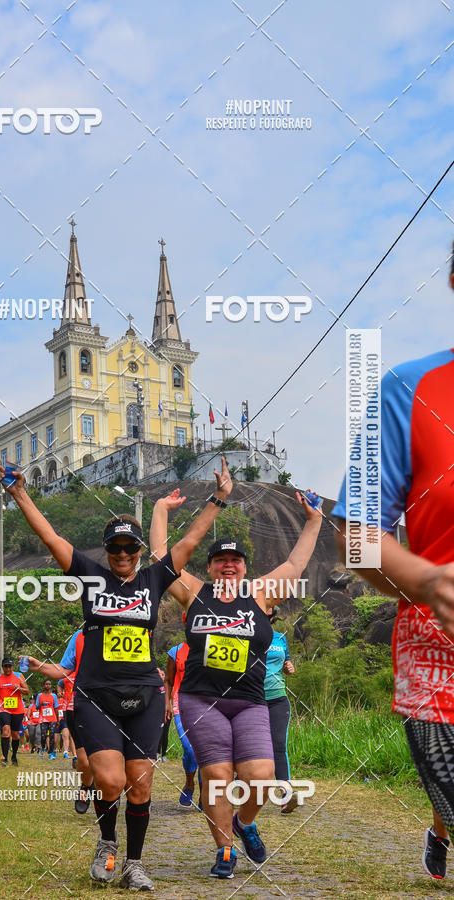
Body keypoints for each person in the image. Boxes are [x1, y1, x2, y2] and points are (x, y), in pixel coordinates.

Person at [0, 456, 232, 891]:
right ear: (107, 552)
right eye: (115, 548)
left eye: (130, 548)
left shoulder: (155, 578)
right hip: (96, 694)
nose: (123, 555)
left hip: (145, 693)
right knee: (110, 779)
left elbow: (192, 540)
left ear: (140, 552)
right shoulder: (90, 577)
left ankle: (133, 864)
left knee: (140, 786)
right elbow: (49, 535)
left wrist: (218, 498)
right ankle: (107, 842)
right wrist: (19, 493)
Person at [333, 250, 454, 880]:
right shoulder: (411, 389)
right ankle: (443, 820)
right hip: (439, 644)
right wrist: (429, 581)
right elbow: (357, 540)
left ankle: (439, 825)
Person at [150, 487, 322, 878]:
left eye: (235, 560)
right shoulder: (194, 593)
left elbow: (295, 565)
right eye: (220, 560)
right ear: (210, 567)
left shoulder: (260, 595)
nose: (228, 566)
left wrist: (314, 520)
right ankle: (225, 849)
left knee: (260, 779)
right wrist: (160, 509)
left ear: (245, 566)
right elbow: (161, 560)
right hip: (201, 699)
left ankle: (245, 823)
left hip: (250, 701)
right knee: (217, 776)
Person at [57, 629, 95, 815]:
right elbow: (59, 671)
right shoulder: (79, 637)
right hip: (76, 708)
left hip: (111, 705)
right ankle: (85, 787)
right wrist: (39, 666)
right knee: (85, 762)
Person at [263, 608, 297, 814]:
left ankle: (286, 796)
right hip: (253, 700)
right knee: (249, 747)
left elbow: (286, 662)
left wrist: (289, 667)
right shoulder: (247, 634)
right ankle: (241, 787)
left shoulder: (280, 638)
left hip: (278, 698)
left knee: (278, 745)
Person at [164, 641, 200, 808]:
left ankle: (205, 792)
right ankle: (189, 783)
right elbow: (169, 680)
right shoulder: (176, 651)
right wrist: (167, 704)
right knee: (189, 748)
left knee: (205, 749)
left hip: (207, 705)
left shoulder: (211, 646)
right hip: (181, 704)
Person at [0, 657, 29, 767]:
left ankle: (14, 756)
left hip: (17, 709)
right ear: (2, 667)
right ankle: (4, 758)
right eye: (5, 666)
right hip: (3, 708)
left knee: (15, 734)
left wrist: (19, 688)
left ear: (12, 667)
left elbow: (27, 691)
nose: (7, 669)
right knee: (6, 730)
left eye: (9, 666)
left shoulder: (19, 676)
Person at [35, 680, 58, 759]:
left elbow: (56, 708)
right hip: (43, 718)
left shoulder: (54, 695)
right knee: (43, 735)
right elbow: (36, 707)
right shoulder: (40, 695)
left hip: (52, 718)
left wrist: (58, 720)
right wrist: (41, 704)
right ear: (43, 685)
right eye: (46, 684)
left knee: (52, 735)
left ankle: (51, 753)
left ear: (51, 685)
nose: (48, 686)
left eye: (49, 684)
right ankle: (42, 748)